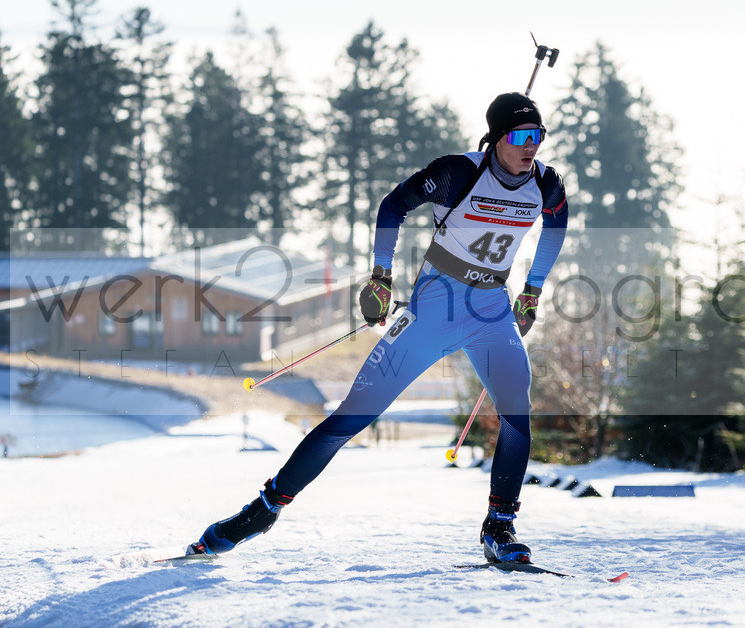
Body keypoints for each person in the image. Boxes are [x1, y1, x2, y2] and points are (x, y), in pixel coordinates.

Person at [187, 92, 569, 564]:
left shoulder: (547, 183)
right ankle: (262, 511)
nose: (532, 146)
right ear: (496, 138)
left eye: (539, 136)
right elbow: (393, 207)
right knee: (354, 414)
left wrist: (532, 288)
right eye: (521, 136)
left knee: (516, 406)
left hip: (491, 308)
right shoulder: (457, 172)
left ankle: (500, 526)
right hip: (436, 305)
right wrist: (381, 276)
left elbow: (556, 226)